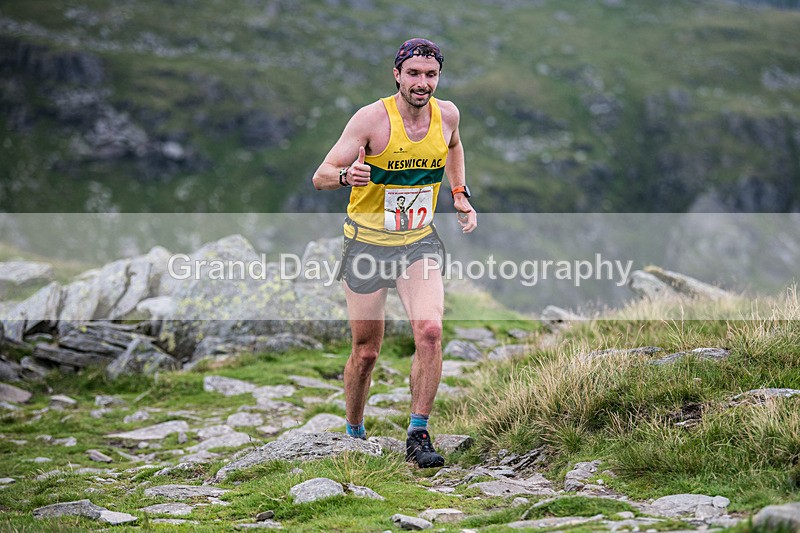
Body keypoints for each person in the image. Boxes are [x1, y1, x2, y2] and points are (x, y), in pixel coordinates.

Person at [312, 38, 477, 468]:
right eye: (414, 74)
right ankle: (354, 430)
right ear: (397, 75)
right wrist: (347, 176)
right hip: (367, 245)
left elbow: (454, 145)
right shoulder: (371, 119)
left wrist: (459, 193)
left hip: (417, 242)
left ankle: (418, 435)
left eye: (431, 75)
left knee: (430, 332)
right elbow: (321, 176)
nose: (423, 83)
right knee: (366, 351)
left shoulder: (448, 115)